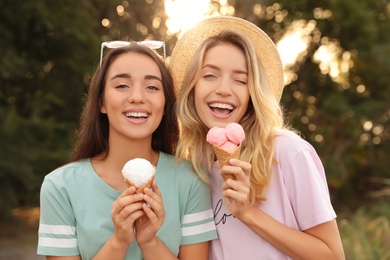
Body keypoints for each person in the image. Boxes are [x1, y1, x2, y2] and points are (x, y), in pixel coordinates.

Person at [170, 16, 345, 259]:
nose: (223, 88)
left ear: (252, 93)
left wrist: (248, 213)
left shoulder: (287, 152)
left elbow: (332, 255)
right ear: (192, 87)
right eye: (209, 75)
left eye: (241, 80)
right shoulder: (191, 165)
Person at [37, 40, 217, 259]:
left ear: (164, 105)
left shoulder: (192, 180)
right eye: (122, 85)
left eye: (152, 87)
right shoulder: (60, 187)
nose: (137, 97)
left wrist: (149, 241)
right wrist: (119, 241)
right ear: (101, 102)